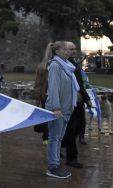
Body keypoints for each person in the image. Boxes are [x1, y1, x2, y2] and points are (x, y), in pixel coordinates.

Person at [44, 40, 78, 179]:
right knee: (54, 138)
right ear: (58, 51)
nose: (69, 51)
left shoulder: (68, 66)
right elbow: (53, 88)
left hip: (66, 109)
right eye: (66, 49)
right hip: (58, 109)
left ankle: (55, 164)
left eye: (70, 49)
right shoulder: (55, 66)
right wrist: (56, 107)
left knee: (58, 138)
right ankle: (53, 167)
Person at [60, 53, 92, 168]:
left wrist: (86, 98)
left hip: (77, 101)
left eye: (74, 49)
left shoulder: (74, 66)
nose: (73, 52)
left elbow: (80, 84)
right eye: (70, 49)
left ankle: (62, 144)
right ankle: (71, 157)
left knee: (79, 126)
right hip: (67, 102)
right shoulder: (59, 66)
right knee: (71, 129)